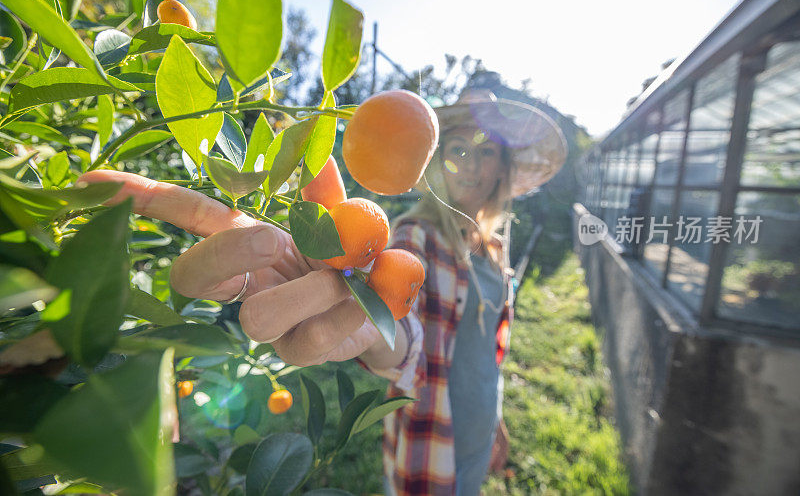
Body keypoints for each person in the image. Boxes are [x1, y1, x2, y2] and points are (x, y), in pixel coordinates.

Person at [77, 89, 566, 496]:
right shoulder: (417, 236)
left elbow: (488, 350)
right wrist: (365, 324)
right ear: (440, 161)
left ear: (502, 168)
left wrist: (495, 417)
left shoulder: (494, 248)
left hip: (480, 426)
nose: (474, 165)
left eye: (488, 152)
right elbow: (405, 337)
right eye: (460, 149)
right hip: (430, 437)